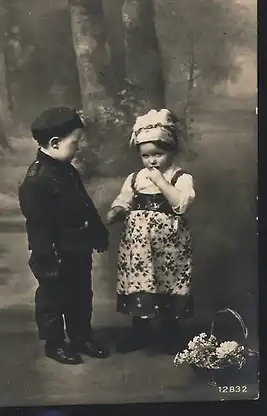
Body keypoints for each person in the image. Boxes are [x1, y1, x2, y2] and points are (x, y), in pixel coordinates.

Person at [18, 107, 110, 365]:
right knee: (53, 298)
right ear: (55, 143)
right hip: (53, 253)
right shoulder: (36, 181)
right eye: (75, 142)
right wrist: (46, 260)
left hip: (77, 248)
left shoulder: (69, 171)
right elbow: (38, 227)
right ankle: (55, 343)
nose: (78, 147)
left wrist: (97, 231)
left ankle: (81, 336)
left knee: (81, 295)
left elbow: (85, 204)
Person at [106, 109, 196, 354]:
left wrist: (160, 181)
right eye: (146, 156)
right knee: (141, 282)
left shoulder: (180, 177)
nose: (152, 161)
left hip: (169, 245)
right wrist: (118, 209)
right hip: (140, 245)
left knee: (168, 282)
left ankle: (171, 334)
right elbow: (125, 198)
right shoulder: (135, 178)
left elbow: (181, 204)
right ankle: (140, 333)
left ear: (171, 151)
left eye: (158, 154)